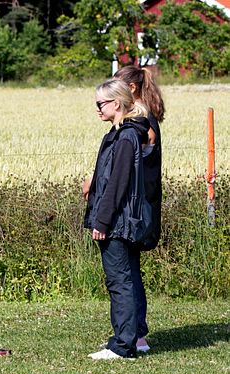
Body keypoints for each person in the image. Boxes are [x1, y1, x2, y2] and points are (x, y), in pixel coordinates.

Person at [82, 66, 165, 352]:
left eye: (100, 104)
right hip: (120, 220)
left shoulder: (128, 136)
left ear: (117, 103)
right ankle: (132, 339)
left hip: (118, 222)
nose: (97, 109)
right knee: (126, 278)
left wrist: (102, 221)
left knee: (120, 281)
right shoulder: (123, 133)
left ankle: (123, 344)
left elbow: (118, 184)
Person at [112, 65, 165, 352]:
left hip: (136, 204)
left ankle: (137, 334)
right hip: (138, 201)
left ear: (130, 88)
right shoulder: (142, 117)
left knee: (128, 271)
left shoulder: (140, 119)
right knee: (130, 269)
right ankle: (135, 332)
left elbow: (131, 164)